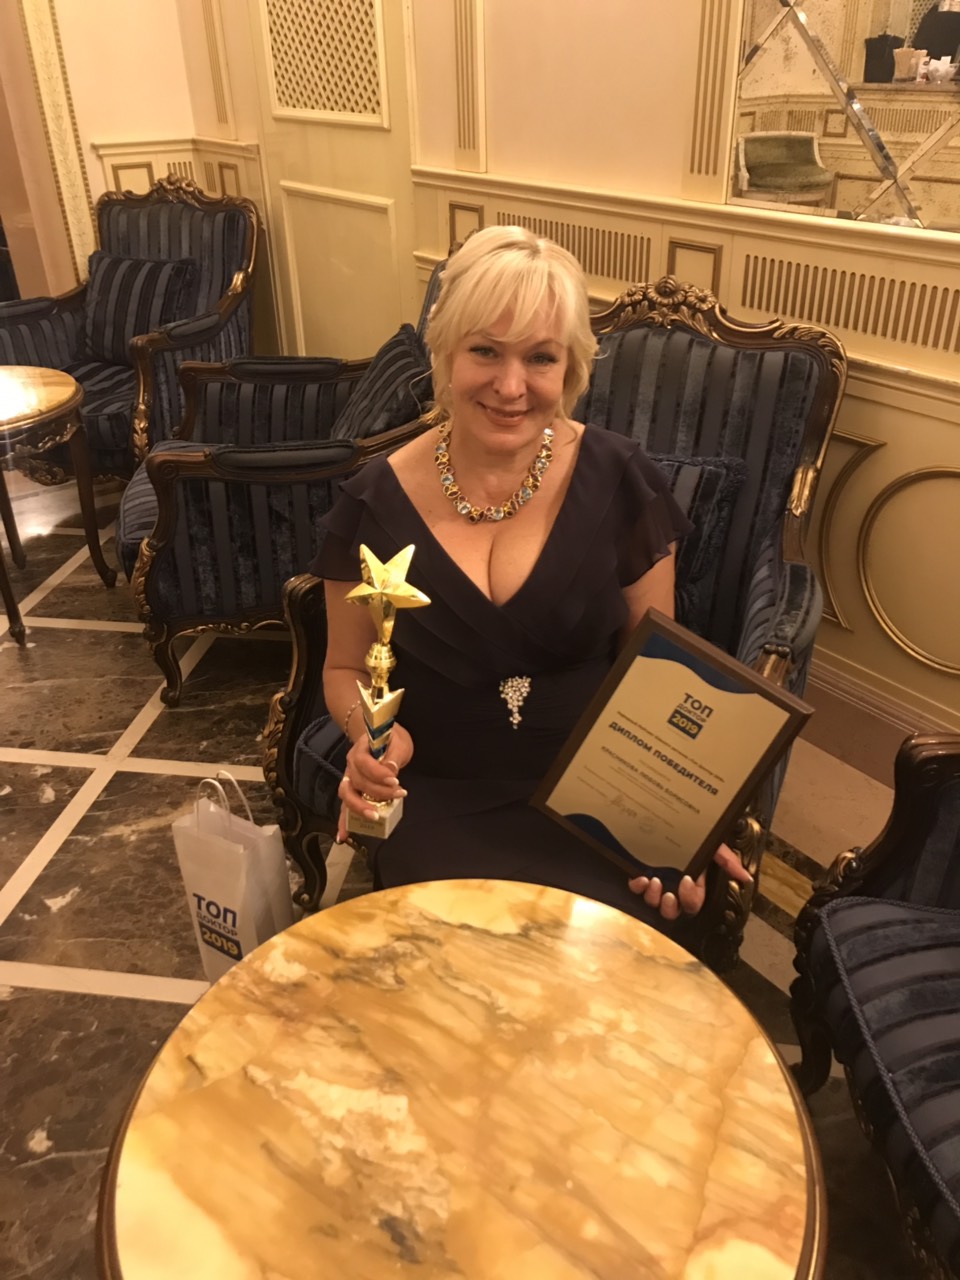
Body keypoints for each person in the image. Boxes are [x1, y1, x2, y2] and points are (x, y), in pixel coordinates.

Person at [313, 226, 750, 930]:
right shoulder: (372, 501)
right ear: (444, 352)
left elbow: (654, 677)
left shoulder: (622, 481)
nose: (511, 386)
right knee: (447, 965)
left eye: (541, 357)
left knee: (620, 961)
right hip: (437, 794)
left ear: (570, 369)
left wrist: (679, 819)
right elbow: (344, 666)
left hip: (598, 799)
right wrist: (369, 740)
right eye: (485, 351)